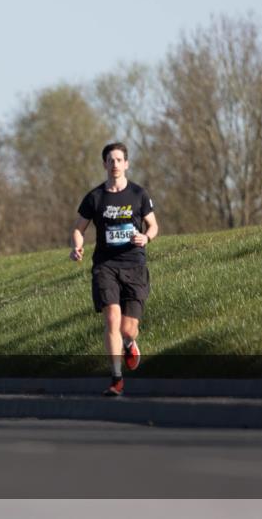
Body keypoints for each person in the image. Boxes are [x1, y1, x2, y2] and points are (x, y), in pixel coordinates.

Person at [70, 142, 158, 397]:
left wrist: (146, 238)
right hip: (105, 265)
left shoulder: (139, 194)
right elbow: (79, 229)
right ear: (105, 165)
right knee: (111, 319)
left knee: (127, 329)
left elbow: (153, 225)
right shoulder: (95, 197)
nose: (115, 164)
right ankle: (116, 378)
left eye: (120, 160)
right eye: (111, 160)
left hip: (134, 264)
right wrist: (77, 247)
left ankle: (130, 343)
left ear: (126, 164)